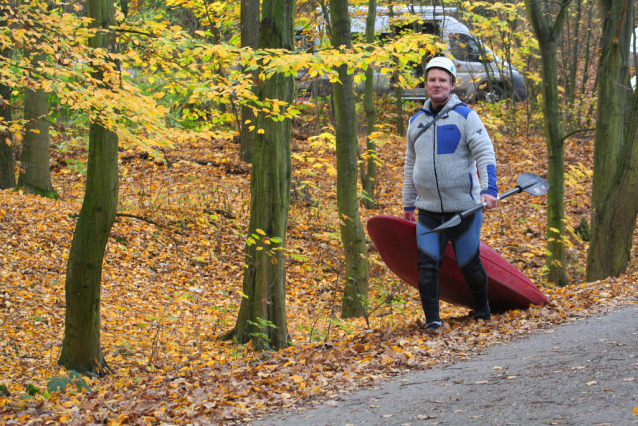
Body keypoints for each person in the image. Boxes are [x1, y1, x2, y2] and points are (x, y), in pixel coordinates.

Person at [402, 56, 498, 332]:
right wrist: (408, 202)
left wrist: (489, 189)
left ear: (452, 85)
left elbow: (484, 152)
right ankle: (433, 320)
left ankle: (482, 310)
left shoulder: (467, 117)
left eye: (442, 80)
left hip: (464, 210)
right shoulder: (416, 121)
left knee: (470, 266)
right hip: (429, 212)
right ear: (425, 84)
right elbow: (410, 164)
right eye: (432, 79)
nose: (437, 84)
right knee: (427, 265)